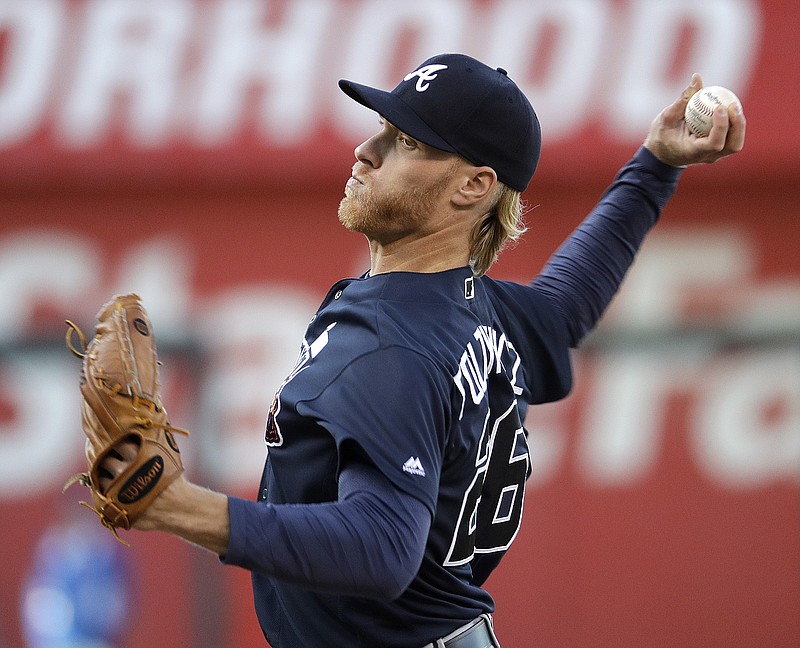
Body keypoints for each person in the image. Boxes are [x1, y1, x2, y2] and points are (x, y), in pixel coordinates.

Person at [100, 53, 746, 647]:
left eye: (405, 142)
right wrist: (655, 166)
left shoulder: (390, 345)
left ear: (472, 187)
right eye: (381, 128)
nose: (364, 149)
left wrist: (179, 507)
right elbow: (563, 308)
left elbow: (383, 549)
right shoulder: (477, 308)